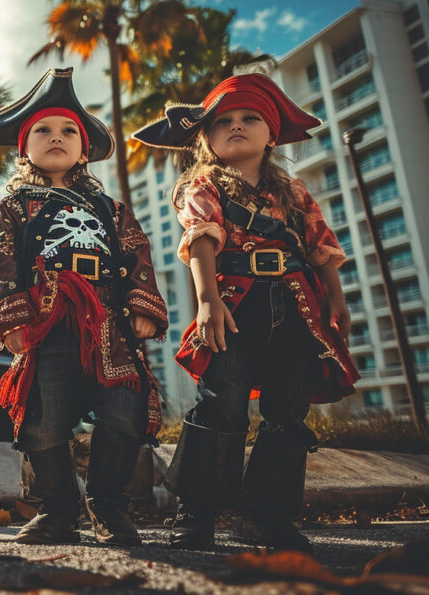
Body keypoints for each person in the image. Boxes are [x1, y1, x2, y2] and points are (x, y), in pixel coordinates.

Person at [132, 73, 359, 551]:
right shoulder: (203, 184)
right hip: (234, 304)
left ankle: (264, 517)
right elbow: (200, 240)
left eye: (250, 118)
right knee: (221, 404)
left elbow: (321, 246)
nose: (237, 126)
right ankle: (195, 514)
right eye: (224, 121)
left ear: (271, 134)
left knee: (289, 410)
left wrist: (335, 299)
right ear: (207, 139)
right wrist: (208, 301)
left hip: (298, 306)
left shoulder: (295, 193)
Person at [0, 68, 167, 546]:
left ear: (85, 150)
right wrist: (13, 317)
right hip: (46, 325)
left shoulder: (110, 209)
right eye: (43, 130)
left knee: (124, 413)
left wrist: (143, 305)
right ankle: (58, 510)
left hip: (111, 326)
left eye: (68, 132)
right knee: (43, 420)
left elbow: (137, 253)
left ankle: (108, 507)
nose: (56, 137)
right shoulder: (15, 207)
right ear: (24, 148)